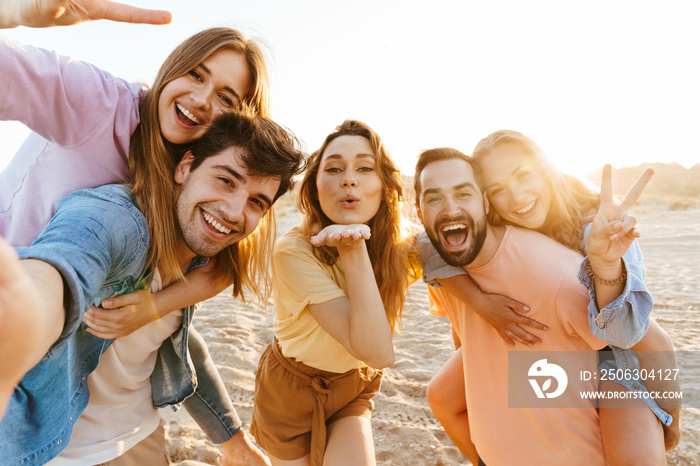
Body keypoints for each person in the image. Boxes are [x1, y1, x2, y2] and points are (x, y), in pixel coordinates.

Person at [0, 111, 306, 465]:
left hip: (141, 438)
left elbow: (180, 347)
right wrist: (22, 317)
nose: (235, 212)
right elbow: (67, 263)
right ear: (185, 167)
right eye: (225, 180)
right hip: (52, 451)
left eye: (257, 202)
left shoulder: (202, 264)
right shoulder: (119, 221)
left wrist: (233, 440)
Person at [1, 1, 270, 340]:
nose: (202, 99)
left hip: (66, 334)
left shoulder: (200, 167)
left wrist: (155, 307)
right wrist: (11, 15)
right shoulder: (101, 104)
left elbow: (225, 262)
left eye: (226, 99)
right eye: (196, 74)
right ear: (174, 67)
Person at [422, 131, 679, 463]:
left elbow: (629, 333)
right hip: (549, 337)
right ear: (486, 199)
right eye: (499, 189)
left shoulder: (597, 224)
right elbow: (428, 245)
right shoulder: (495, 221)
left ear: (546, 169)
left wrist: (604, 263)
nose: (516, 197)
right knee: (442, 396)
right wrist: (479, 301)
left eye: (523, 175)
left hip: (614, 356)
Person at [414, 147, 614, 464]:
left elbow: (633, 343)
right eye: (434, 198)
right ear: (419, 211)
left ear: (484, 202)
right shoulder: (442, 262)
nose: (450, 209)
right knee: (442, 395)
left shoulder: (562, 272)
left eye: (463, 193)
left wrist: (666, 411)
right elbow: (461, 335)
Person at [249, 120, 419, 466]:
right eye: (335, 168)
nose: (349, 179)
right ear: (314, 187)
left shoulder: (399, 246)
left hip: (353, 386)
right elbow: (376, 350)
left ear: (385, 185)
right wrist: (352, 249)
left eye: (364, 168)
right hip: (291, 391)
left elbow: (467, 254)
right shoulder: (293, 251)